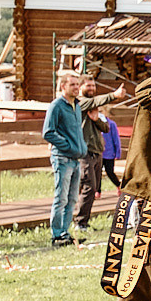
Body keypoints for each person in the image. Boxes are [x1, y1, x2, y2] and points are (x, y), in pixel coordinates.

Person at [42, 72, 87, 247]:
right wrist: (67, 145)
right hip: (62, 158)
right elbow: (47, 132)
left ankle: (65, 233)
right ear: (63, 86)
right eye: (72, 84)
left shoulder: (77, 106)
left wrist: (80, 147)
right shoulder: (56, 106)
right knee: (61, 198)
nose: (76, 87)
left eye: (77, 84)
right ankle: (56, 235)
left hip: (75, 159)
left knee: (72, 198)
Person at [74, 92, 110, 229]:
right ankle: (80, 222)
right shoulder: (81, 104)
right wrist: (114, 95)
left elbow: (106, 128)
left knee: (92, 188)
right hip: (86, 153)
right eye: (88, 85)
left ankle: (84, 221)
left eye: (93, 86)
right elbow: (93, 102)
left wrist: (96, 119)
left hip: (97, 153)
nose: (92, 88)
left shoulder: (95, 109)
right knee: (88, 186)